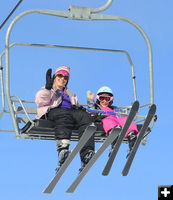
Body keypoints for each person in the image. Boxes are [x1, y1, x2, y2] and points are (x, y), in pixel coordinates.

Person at [35, 66, 95, 172]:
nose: (62, 78)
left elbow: (75, 106)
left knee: (85, 117)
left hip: (70, 113)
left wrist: (80, 107)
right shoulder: (49, 88)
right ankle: (63, 149)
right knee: (64, 114)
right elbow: (40, 101)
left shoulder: (70, 93)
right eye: (60, 75)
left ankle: (86, 153)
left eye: (65, 77)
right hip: (53, 112)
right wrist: (48, 89)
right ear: (55, 77)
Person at [87, 86, 139, 157]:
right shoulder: (97, 107)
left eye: (107, 99)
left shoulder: (115, 109)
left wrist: (133, 114)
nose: (104, 101)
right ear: (98, 99)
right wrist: (90, 101)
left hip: (117, 121)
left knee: (126, 120)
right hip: (105, 121)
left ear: (111, 100)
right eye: (102, 98)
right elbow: (91, 113)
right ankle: (114, 136)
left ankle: (132, 137)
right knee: (108, 120)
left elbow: (124, 115)